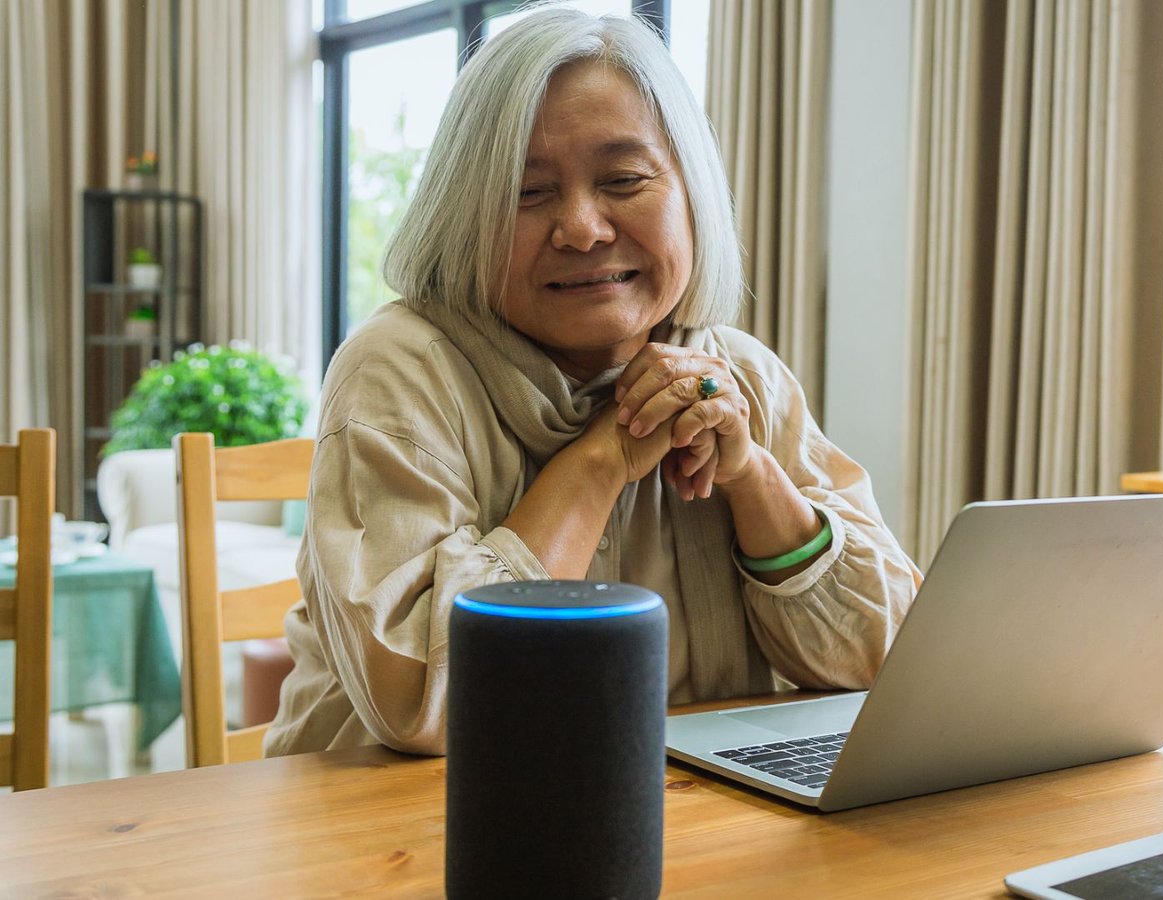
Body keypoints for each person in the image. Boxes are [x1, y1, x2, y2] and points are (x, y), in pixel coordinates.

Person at [264, 8, 920, 757]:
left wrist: (750, 476)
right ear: (461, 215)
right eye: (527, 192)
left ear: (690, 193)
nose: (581, 227)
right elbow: (432, 705)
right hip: (393, 841)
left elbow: (888, 663)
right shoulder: (400, 370)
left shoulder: (737, 374)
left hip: (683, 828)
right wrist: (606, 455)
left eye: (624, 179)